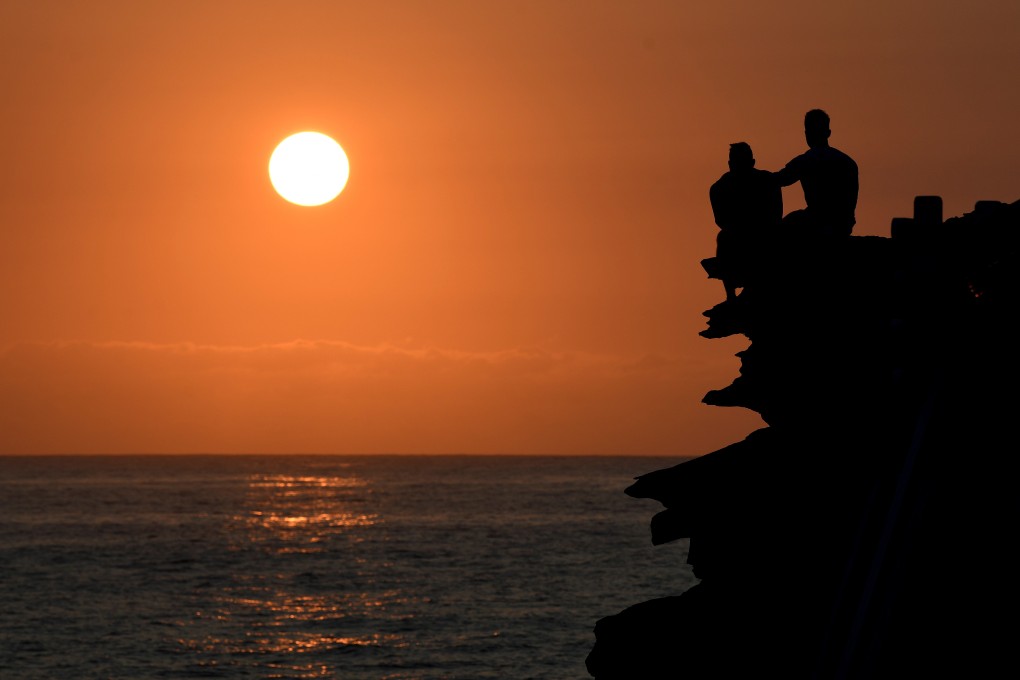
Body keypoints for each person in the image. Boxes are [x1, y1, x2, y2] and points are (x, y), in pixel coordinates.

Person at [709, 142, 783, 300]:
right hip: (738, 239)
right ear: (730, 165)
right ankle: (731, 297)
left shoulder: (768, 181)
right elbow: (722, 221)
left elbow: (776, 217)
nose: (740, 170)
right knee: (724, 237)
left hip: (764, 238)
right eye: (737, 164)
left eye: (743, 164)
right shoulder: (719, 188)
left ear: (752, 163)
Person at [773, 109, 859, 238]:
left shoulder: (806, 160)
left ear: (807, 134)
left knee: (784, 226)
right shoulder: (848, 162)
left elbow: (780, 179)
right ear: (828, 133)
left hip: (818, 222)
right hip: (844, 224)